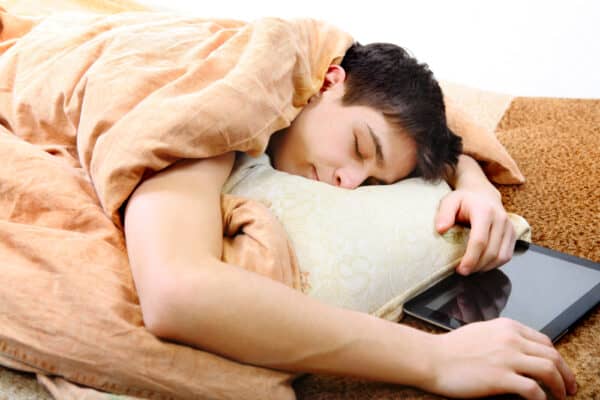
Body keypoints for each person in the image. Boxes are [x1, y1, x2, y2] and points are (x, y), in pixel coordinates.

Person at [123, 42, 577, 399]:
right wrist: (436, 359)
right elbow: (175, 293)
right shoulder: (224, 109)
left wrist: (475, 184)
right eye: (360, 147)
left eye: (372, 182)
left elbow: (438, 127)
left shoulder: (346, 109)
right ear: (328, 82)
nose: (348, 180)